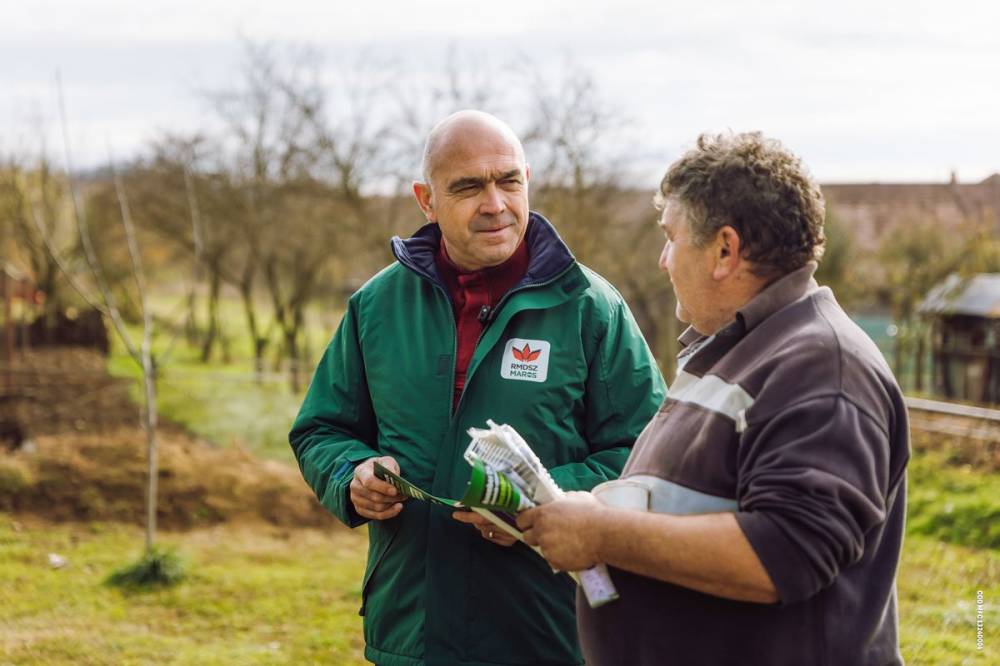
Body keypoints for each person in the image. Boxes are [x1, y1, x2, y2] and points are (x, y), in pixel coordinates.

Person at [289, 110, 666, 666]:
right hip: (410, 632)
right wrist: (353, 476)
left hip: (546, 630)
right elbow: (323, 428)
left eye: (509, 180)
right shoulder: (376, 307)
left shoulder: (590, 307)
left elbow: (647, 453)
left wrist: (542, 501)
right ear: (427, 199)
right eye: (468, 186)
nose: (495, 203)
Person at [518, 132, 910, 666]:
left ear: (724, 250)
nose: (663, 260)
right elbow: (708, 498)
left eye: (671, 237)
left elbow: (787, 551)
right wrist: (616, 504)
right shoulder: (744, 349)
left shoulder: (821, 367)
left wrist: (601, 532)